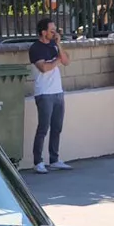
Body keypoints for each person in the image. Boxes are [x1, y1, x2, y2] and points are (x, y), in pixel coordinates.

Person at [29, 17, 71, 172]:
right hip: (44, 93)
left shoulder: (54, 45)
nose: (55, 33)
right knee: (43, 128)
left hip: (57, 92)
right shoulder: (36, 48)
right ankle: (38, 161)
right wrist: (57, 61)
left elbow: (66, 61)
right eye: (52, 30)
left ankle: (54, 159)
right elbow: (44, 68)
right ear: (43, 32)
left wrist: (59, 45)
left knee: (57, 127)